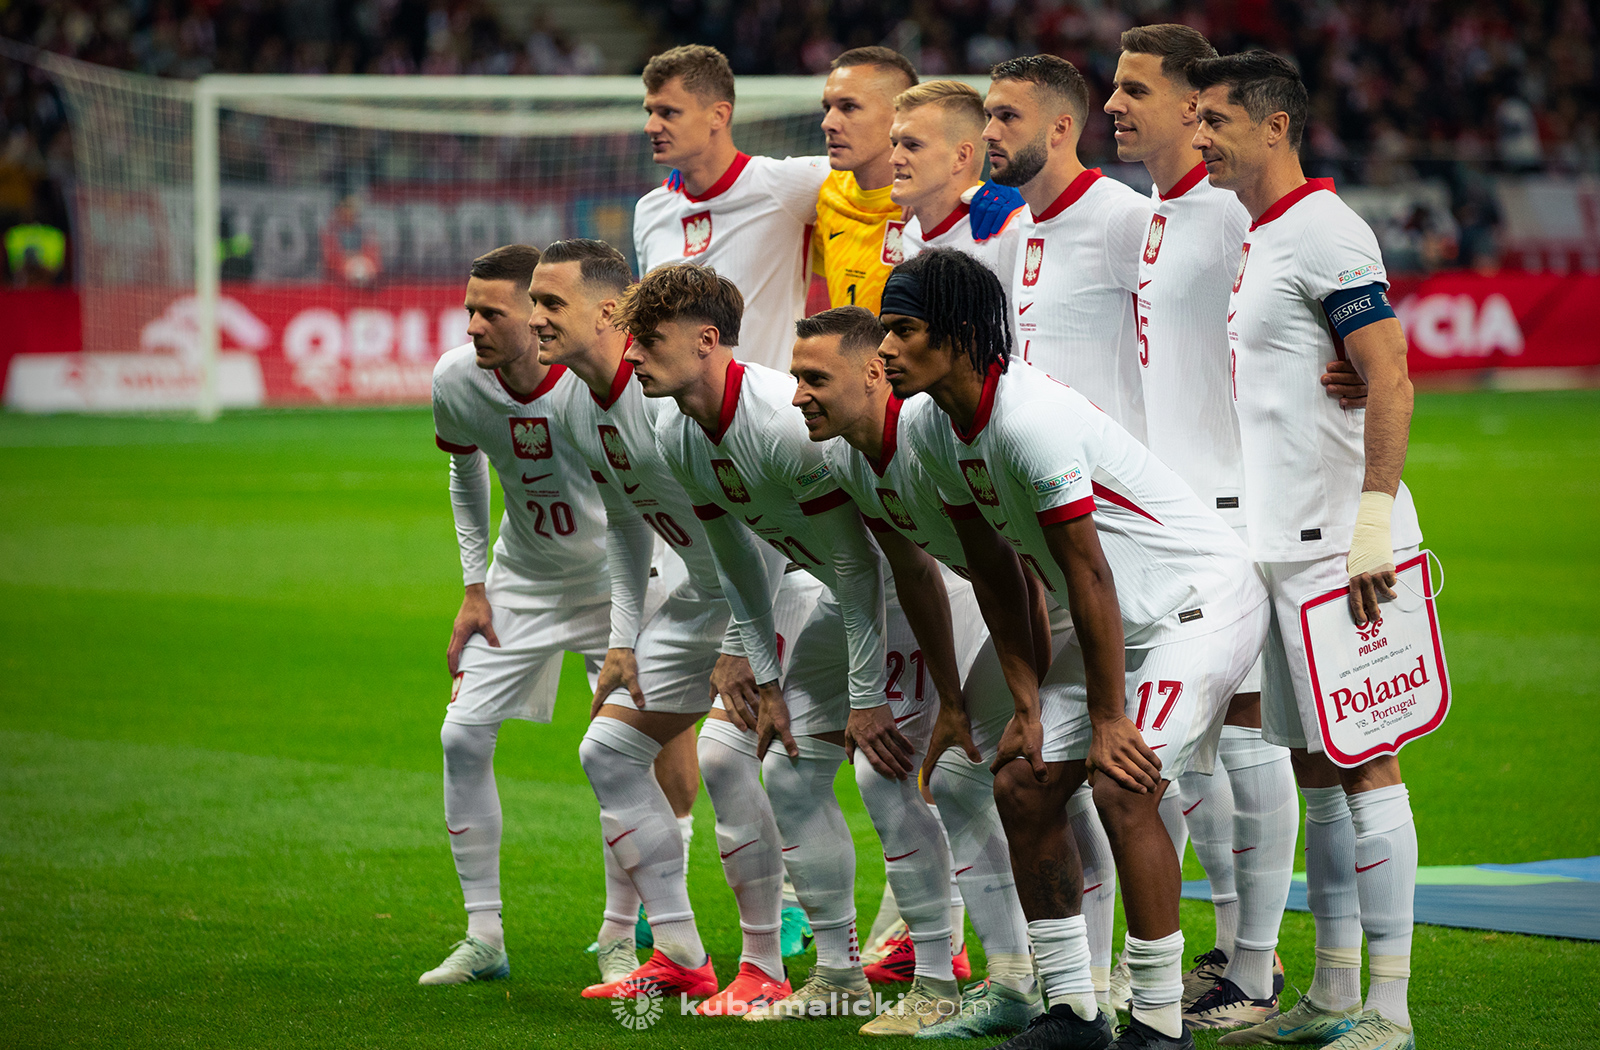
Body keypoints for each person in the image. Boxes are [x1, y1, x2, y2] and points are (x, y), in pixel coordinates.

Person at [886, 247, 1271, 1050]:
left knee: (1122, 783)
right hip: (1111, 620)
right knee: (1022, 785)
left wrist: (1105, 720)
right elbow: (997, 573)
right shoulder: (930, 428)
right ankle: (1073, 1012)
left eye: (903, 329)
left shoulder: (1031, 419)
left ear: (957, 335)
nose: (884, 347)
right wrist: (1027, 705)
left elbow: (1087, 573)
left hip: (1194, 604)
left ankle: (1160, 1024)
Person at [618, 263, 970, 1035]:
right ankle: (839, 973)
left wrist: (868, 695)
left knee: (887, 780)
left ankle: (944, 975)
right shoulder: (677, 428)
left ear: (706, 342)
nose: (633, 356)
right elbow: (734, 559)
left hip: (916, 600)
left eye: (648, 339)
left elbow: (860, 562)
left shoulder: (780, 419)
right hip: (845, 605)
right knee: (787, 771)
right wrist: (765, 674)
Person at [1191, 51, 1425, 1050]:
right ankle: (1332, 996)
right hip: (1282, 549)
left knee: (1367, 763)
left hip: (1345, 550)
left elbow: (1391, 376)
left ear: (1274, 125)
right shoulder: (1265, 234)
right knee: (1316, 768)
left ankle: (1391, 1009)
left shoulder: (1325, 230)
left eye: (1214, 120)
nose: (1198, 136)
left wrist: (1372, 520)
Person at [528, 238, 793, 1012]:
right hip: (696, 596)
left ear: (607, 311)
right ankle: (679, 951)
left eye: (551, 303)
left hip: (774, 589)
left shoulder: (665, 398)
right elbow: (623, 521)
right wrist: (620, 636)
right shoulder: (572, 402)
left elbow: (751, 533)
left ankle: (767, 967)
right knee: (608, 753)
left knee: (730, 762)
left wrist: (740, 645)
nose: (533, 317)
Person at [1102, 24, 1302, 1029]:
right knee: (1202, 752)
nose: (1114, 105)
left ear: (1195, 106)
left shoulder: (1231, 213)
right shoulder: (1151, 210)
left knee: (1251, 739)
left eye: (1135, 89)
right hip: (1170, 513)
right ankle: (1227, 948)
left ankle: (1257, 971)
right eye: (1112, 87)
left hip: (1239, 506)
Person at [792, 304, 1046, 1038]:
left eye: (817, 378)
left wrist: (1020, 693)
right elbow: (914, 572)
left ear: (874, 373)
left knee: (1037, 781)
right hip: (975, 601)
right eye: (795, 379)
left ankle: (1065, 977)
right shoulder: (846, 452)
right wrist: (952, 705)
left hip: (1042, 603)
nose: (800, 396)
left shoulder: (928, 436)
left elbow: (1012, 567)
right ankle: (992, 978)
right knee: (941, 774)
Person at [420, 244, 610, 985]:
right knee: (460, 736)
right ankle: (484, 935)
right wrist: (475, 585)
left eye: (489, 312)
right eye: (468, 309)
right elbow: (461, 463)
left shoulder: (593, 383)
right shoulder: (455, 379)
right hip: (520, 582)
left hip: (613, 583)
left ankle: (622, 936)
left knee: (619, 760)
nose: (472, 325)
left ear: (536, 320)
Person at [983, 55, 1152, 443]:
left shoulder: (1121, 216)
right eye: (989, 116)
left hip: (1114, 483)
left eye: (1007, 117)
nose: (989, 132)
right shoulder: (1018, 228)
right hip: (1045, 472)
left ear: (1059, 128)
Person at [632, 44, 830, 373]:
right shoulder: (649, 210)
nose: (650, 126)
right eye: (649, 112)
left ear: (719, 115)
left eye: (668, 113)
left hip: (769, 417)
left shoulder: (784, 185)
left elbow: (878, 175)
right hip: (679, 421)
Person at [892, 79, 1025, 290]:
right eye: (894, 144)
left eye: (913, 146)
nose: (894, 158)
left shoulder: (1010, 234)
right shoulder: (912, 230)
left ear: (961, 156)